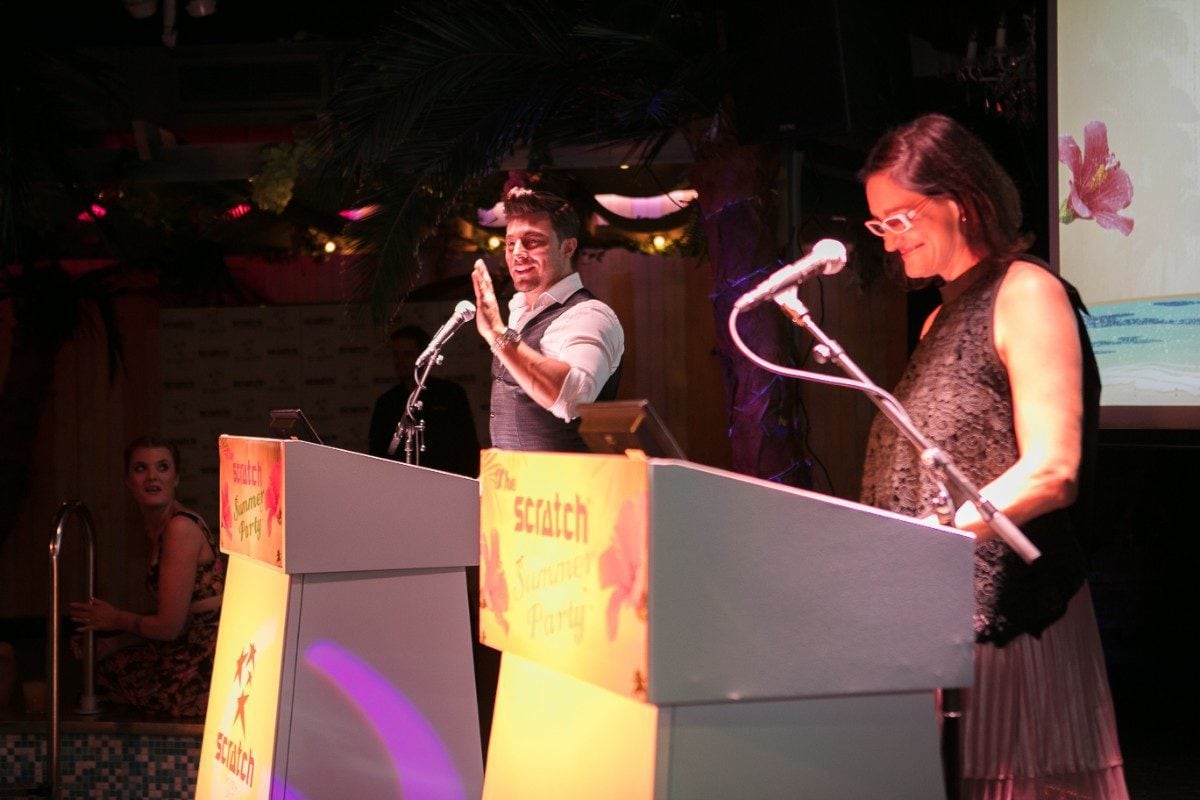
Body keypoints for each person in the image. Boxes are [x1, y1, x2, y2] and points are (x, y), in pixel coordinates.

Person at [856, 113, 1127, 799]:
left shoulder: (1026, 291)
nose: (891, 240)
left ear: (961, 202)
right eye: (879, 224)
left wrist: (933, 535)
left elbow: (1052, 470)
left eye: (901, 218)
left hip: (1013, 622)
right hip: (937, 625)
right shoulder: (938, 318)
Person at [68, 436, 225, 718]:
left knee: (105, 675)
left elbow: (169, 628)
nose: (152, 476)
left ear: (176, 478)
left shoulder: (180, 528)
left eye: (162, 467)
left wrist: (115, 619)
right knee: (100, 662)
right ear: (128, 481)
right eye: (141, 468)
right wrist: (116, 642)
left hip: (203, 666)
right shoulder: (160, 528)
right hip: (187, 650)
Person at [470, 186, 625, 452]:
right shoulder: (519, 309)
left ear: (568, 247)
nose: (517, 252)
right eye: (510, 243)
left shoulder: (590, 315)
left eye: (532, 241)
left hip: (568, 479)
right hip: (513, 476)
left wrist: (497, 334)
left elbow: (572, 399)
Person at [367, 324, 481, 477]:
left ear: (424, 356)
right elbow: (377, 455)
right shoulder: (386, 403)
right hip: (400, 484)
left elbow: (468, 448)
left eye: (407, 354)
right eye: (396, 354)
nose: (400, 361)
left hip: (445, 483)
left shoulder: (451, 394)